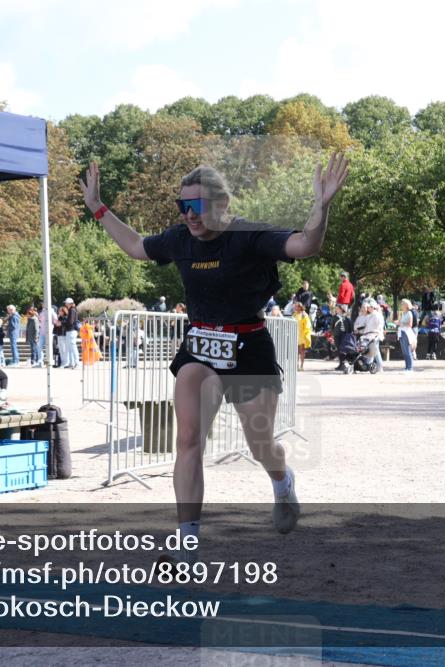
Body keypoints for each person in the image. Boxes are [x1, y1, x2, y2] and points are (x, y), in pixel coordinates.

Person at [78, 154, 349, 542]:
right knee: (188, 440)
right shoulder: (179, 239)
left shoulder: (250, 236)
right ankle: (188, 544)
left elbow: (306, 245)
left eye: (198, 206)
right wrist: (97, 208)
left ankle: (282, 479)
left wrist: (321, 206)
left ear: (222, 205)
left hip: (248, 345)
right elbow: (136, 246)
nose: (189, 215)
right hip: (201, 348)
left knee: (261, 446)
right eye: (183, 206)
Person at [396, 298, 415, 373]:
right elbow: (401, 322)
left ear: (406, 305)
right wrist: (398, 322)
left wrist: (400, 323)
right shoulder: (403, 313)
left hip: (406, 333)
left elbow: (410, 324)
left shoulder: (409, 313)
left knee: (407, 351)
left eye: (402, 304)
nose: (401, 305)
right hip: (401, 332)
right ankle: (407, 368)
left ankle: (410, 368)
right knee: (404, 352)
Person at [292, 302, 312, 371]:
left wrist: (306, 335)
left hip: (302, 336)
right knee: (296, 352)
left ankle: (301, 365)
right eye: (295, 307)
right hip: (295, 335)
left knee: (302, 351)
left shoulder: (304, 315)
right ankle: (296, 365)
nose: (295, 308)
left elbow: (307, 325)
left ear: (300, 307)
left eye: (296, 307)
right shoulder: (294, 314)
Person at [62, 297, 80, 369]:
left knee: (73, 347)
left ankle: (77, 363)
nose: (65, 304)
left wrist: (63, 322)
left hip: (71, 330)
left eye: (66, 303)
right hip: (71, 330)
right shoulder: (72, 309)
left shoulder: (72, 310)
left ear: (69, 303)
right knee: (70, 348)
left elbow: (70, 321)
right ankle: (72, 363)